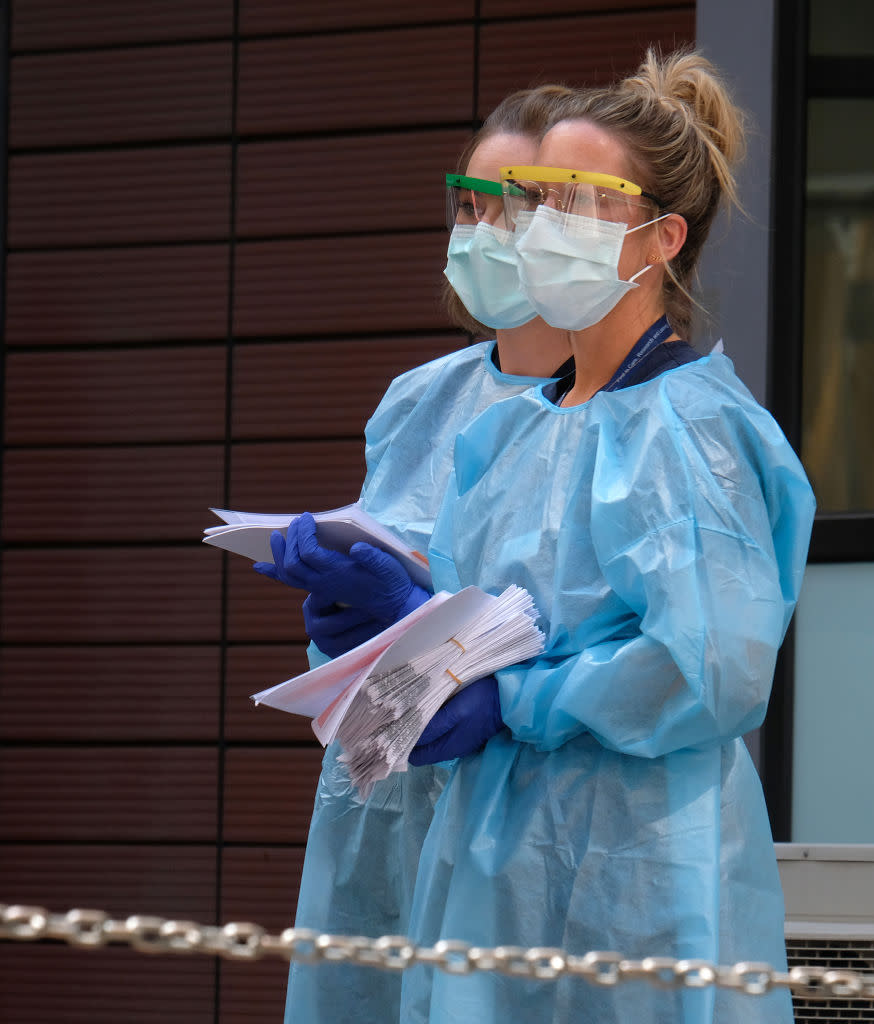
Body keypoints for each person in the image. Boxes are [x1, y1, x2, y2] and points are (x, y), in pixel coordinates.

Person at [382, 49, 814, 1022]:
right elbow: (463, 621)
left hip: (637, 870)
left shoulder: (691, 428)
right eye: (528, 198)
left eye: (576, 200)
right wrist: (379, 613)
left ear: (661, 238)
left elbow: (705, 667)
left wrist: (519, 699)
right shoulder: (509, 428)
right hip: (489, 858)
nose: (534, 228)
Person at [255, 84, 579, 1024]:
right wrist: (344, 618)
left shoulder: (628, 418)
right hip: (387, 789)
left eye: (509, 208)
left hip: (525, 805)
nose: (480, 231)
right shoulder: (416, 400)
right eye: (468, 204)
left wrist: (475, 661)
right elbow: (390, 577)